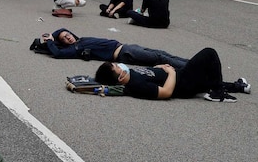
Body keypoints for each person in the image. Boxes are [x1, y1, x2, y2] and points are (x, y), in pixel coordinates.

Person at [95, 48, 250, 103]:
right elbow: (166, 92)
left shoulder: (132, 75)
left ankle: (238, 87)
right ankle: (218, 94)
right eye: (117, 67)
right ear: (120, 78)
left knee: (209, 78)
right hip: (182, 84)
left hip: (181, 77)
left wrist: (159, 67)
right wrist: (171, 73)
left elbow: (151, 74)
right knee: (209, 54)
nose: (120, 65)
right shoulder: (136, 86)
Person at [38, 27, 188, 68]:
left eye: (68, 34)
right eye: (64, 38)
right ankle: (192, 67)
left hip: (126, 46)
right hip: (124, 53)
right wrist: (51, 41)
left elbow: (62, 28)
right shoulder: (74, 50)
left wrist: (54, 33)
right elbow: (57, 53)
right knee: (159, 59)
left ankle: (190, 62)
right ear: (63, 42)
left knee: (162, 53)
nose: (68, 37)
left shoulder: (80, 40)